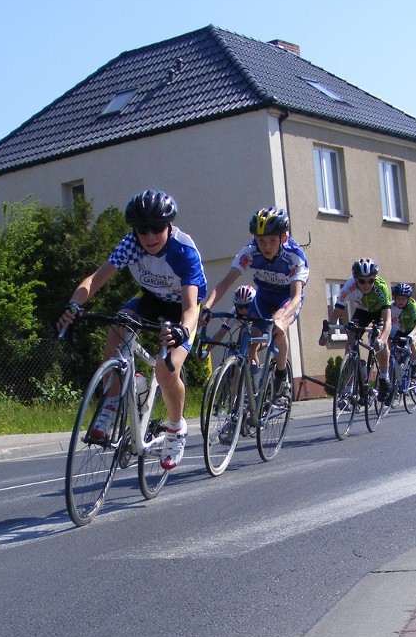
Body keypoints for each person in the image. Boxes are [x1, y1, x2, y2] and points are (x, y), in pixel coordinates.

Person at [57, 189, 206, 471]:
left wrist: (184, 331)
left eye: (157, 228)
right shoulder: (131, 245)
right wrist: (74, 305)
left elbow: (189, 308)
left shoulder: (182, 250)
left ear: (169, 225)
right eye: (142, 229)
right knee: (118, 322)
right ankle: (113, 402)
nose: (149, 236)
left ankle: (176, 427)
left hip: (182, 308)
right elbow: (95, 279)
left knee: (166, 369)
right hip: (151, 299)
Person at [203, 207, 307, 400]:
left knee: (278, 325)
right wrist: (207, 306)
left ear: (283, 238)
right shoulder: (250, 251)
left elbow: (295, 297)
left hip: (287, 298)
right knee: (251, 341)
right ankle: (254, 395)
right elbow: (225, 283)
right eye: (261, 240)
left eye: (272, 240)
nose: (266, 246)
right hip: (264, 296)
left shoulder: (294, 256)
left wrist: (282, 318)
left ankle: (281, 375)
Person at [322, 258, 393, 402]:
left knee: (378, 340)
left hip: (379, 312)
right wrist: (325, 333)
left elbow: (388, 321)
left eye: (370, 280)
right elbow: (336, 312)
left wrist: (382, 339)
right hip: (362, 311)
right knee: (351, 340)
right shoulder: (349, 286)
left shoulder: (381, 287)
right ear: (355, 279)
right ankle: (349, 388)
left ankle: (384, 377)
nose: (366, 285)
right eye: (362, 281)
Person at [389, 283, 416, 365]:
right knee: (391, 343)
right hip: (400, 330)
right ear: (394, 297)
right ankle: (396, 362)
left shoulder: (412, 305)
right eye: (399, 298)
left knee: (412, 342)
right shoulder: (391, 306)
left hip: (413, 330)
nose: (401, 301)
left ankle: (415, 364)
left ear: (408, 299)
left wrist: (412, 334)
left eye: (403, 299)